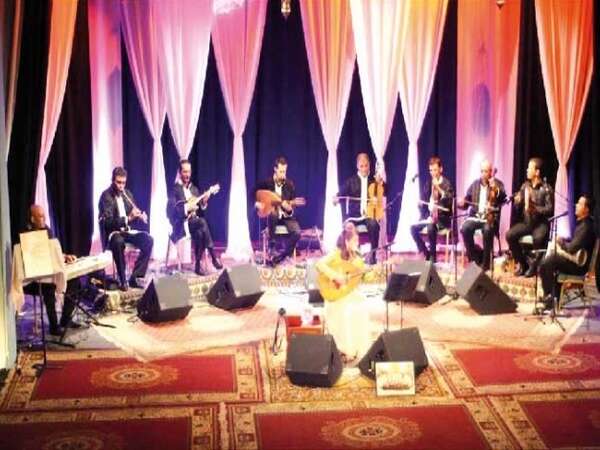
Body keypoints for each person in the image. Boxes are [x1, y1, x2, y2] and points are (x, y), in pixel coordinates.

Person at [315, 222, 374, 361]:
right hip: (336, 295)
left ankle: (355, 347)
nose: (357, 243)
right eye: (355, 240)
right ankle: (344, 348)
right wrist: (335, 276)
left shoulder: (357, 258)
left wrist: (370, 272)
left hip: (349, 293)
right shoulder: (336, 254)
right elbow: (319, 264)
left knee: (362, 306)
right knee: (346, 312)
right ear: (347, 242)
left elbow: (364, 277)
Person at [21, 205, 79, 336]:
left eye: (44, 216)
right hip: (32, 279)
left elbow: (53, 251)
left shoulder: (47, 230)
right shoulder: (25, 233)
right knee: (49, 287)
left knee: (74, 281)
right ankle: (54, 326)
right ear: (32, 219)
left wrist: (64, 256)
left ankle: (65, 319)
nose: (44, 219)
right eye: (41, 216)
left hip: (48, 273)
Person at [98, 167, 154, 291]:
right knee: (118, 241)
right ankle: (122, 279)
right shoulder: (106, 196)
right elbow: (108, 223)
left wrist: (139, 216)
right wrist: (128, 218)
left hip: (127, 231)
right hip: (113, 233)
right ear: (113, 180)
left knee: (148, 240)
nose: (121, 186)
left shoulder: (127, 194)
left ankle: (135, 277)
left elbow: (132, 214)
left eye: (123, 183)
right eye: (118, 182)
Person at [539, 195, 596, 309]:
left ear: (586, 209)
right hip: (575, 262)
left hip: (578, 266)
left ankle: (550, 297)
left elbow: (571, 248)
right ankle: (552, 297)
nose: (576, 205)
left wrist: (560, 242)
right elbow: (575, 244)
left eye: (579, 204)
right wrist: (564, 242)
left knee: (548, 261)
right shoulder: (583, 223)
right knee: (548, 261)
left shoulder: (586, 226)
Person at [167, 159, 222, 276]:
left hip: (193, 224)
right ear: (180, 172)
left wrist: (204, 201)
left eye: (189, 172)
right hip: (180, 224)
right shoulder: (174, 189)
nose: (187, 175)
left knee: (200, 232)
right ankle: (213, 256)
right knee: (202, 223)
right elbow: (170, 211)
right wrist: (186, 208)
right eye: (185, 172)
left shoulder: (194, 189)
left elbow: (201, 207)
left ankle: (198, 265)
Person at [506, 157, 554, 277]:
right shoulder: (525, 186)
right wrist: (517, 202)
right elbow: (518, 207)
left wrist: (535, 209)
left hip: (540, 224)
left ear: (537, 172)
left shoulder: (546, 188)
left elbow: (550, 209)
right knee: (509, 235)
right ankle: (523, 263)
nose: (527, 170)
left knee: (538, 239)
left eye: (529, 168)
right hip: (527, 223)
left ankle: (534, 266)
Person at [334, 153, 384, 265]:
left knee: (374, 224)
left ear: (369, 165)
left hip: (368, 215)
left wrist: (381, 183)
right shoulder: (351, 181)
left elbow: (386, 191)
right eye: (361, 166)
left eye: (366, 166)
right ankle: (352, 256)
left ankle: (372, 256)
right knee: (349, 227)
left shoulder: (374, 180)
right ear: (357, 166)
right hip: (354, 216)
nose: (364, 169)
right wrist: (336, 198)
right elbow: (340, 195)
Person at [458, 160, 506, 271]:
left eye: (486, 171)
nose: (484, 174)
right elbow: (466, 202)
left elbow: (503, 197)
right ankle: (474, 259)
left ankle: (486, 263)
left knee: (488, 230)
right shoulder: (475, 184)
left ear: (491, 171)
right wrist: (462, 203)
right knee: (465, 228)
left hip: (490, 217)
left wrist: (496, 189)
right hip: (475, 216)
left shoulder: (497, 184)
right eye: (482, 171)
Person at [254, 156, 301, 266]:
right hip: (272, 218)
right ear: (275, 169)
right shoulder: (266, 183)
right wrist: (257, 204)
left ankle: (282, 257)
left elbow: (293, 205)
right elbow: (256, 197)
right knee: (273, 212)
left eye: (285, 171)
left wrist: (289, 210)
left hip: (286, 218)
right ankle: (272, 246)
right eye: (281, 171)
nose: (283, 174)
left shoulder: (289, 184)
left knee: (297, 233)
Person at [410, 157, 454, 263]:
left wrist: (438, 187)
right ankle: (426, 253)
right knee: (413, 229)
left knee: (431, 227)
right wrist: (420, 204)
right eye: (431, 170)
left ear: (440, 169)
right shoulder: (429, 183)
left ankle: (433, 258)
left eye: (435, 170)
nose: (433, 173)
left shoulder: (447, 184)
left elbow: (448, 200)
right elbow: (424, 201)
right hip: (430, 217)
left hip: (442, 219)